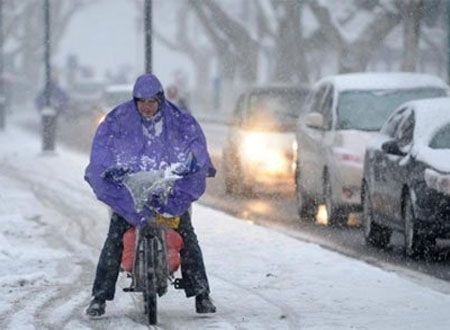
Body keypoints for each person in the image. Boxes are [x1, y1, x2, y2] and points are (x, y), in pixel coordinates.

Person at [84, 73, 216, 317]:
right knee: (114, 239)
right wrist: (109, 169)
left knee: (187, 237)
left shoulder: (178, 121)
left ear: (160, 100)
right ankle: (99, 298)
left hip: (169, 195)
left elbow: (193, 143)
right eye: (141, 101)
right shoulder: (118, 120)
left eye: (151, 101)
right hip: (130, 198)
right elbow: (103, 147)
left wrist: (191, 164)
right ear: (134, 101)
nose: (146, 107)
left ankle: (202, 295)